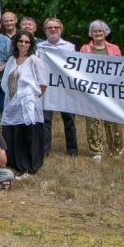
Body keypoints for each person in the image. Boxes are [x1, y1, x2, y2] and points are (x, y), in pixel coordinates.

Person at [0, 30, 47, 179]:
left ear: (31, 44)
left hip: (28, 104)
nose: (23, 44)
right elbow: (5, 81)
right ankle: (15, 165)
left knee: (28, 136)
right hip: (12, 103)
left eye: (27, 42)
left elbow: (43, 83)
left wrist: (32, 98)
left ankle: (29, 168)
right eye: (21, 41)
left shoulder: (34, 60)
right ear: (16, 42)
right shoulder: (11, 60)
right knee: (12, 134)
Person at [80, 20, 124, 162]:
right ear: (91, 33)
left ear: (105, 32)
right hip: (92, 90)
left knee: (113, 120)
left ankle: (116, 150)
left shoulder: (114, 49)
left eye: (100, 31)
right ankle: (97, 150)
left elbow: (121, 68)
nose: (97, 33)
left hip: (111, 90)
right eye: (95, 31)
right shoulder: (85, 48)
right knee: (93, 121)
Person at [37, 18, 76, 156]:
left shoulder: (69, 47)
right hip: (46, 87)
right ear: (45, 30)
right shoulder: (39, 47)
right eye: (49, 27)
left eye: (56, 27)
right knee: (45, 119)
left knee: (69, 119)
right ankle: (45, 150)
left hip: (65, 88)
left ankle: (72, 150)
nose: (53, 29)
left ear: (61, 29)